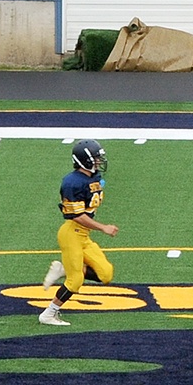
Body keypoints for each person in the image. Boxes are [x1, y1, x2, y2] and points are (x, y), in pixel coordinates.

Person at [38, 139, 117, 327]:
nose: (99, 162)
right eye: (96, 158)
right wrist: (103, 227)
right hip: (71, 233)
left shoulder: (94, 177)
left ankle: (64, 269)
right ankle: (49, 313)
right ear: (85, 160)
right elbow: (76, 216)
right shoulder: (71, 182)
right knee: (75, 281)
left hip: (83, 235)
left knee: (106, 274)